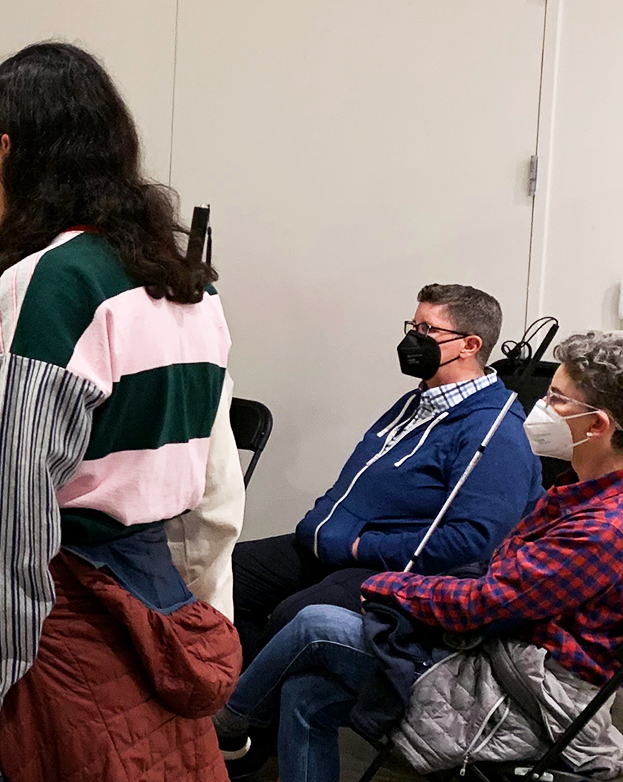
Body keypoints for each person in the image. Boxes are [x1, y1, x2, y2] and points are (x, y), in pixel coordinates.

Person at [0, 42, 240, 782]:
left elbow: (9, 530)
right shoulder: (188, 281)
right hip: (159, 616)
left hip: (61, 634)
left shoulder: (54, 285)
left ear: (8, 145)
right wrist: (200, 622)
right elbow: (215, 491)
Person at [216, 332, 623, 782]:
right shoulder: (583, 491)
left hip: (524, 692)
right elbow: (502, 583)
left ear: (599, 425)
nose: (540, 405)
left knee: (315, 623)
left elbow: (490, 602)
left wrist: (389, 586)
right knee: (305, 694)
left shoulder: (604, 528)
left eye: (557, 397)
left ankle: (229, 722)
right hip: (504, 649)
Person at [232, 284, 541, 664]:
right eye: (412, 326)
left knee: (292, 617)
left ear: (470, 345)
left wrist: (363, 547)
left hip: (386, 565)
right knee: (224, 577)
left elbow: (472, 542)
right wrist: (321, 523)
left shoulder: (494, 432)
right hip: (329, 544)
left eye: (428, 330)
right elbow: (357, 480)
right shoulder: (417, 401)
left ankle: (251, 711)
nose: (413, 339)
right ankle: (234, 689)